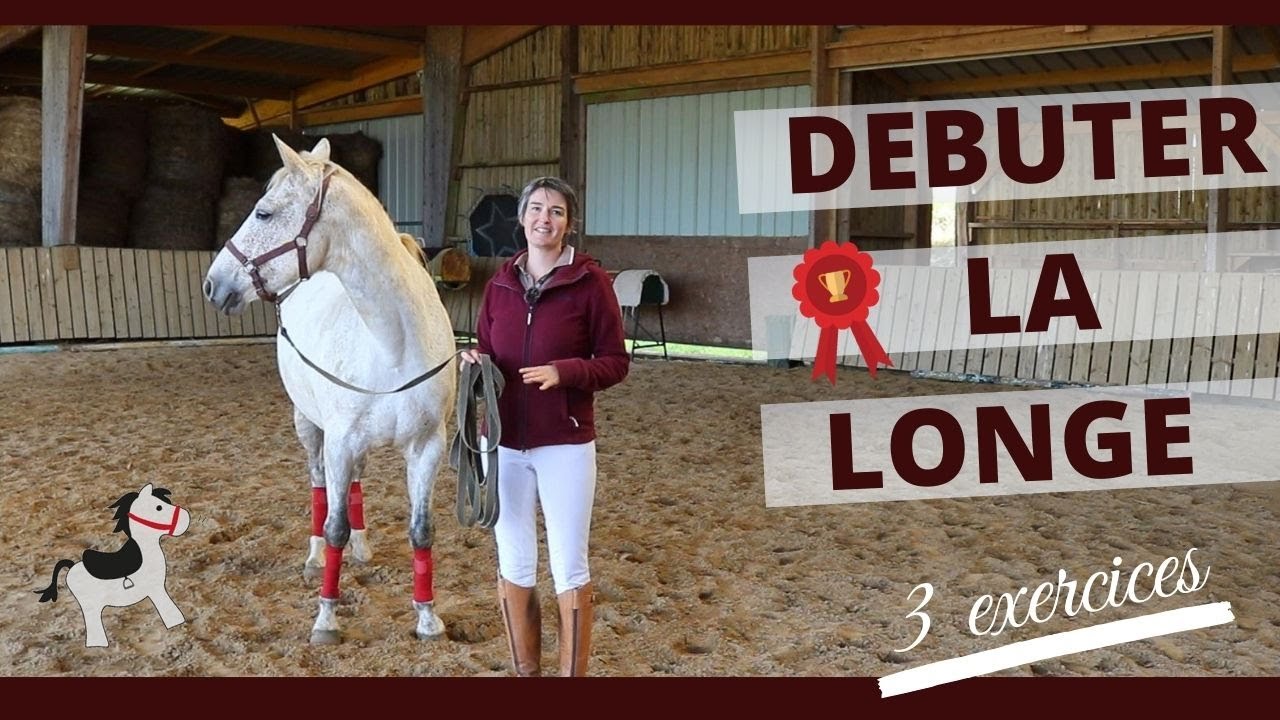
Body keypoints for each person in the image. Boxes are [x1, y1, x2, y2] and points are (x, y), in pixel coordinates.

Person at [461, 176, 629, 677]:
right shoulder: (499, 285)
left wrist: (566, 373)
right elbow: (487, 345)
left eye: (556, 211)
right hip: (505, 444)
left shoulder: (591, 284)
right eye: (536, 209)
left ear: (568, 224)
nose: (544, 219)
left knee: (568, 565)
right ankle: (525, 674)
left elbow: (616, 362)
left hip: (566, 443)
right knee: (514, 562)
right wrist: (476, 360)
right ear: (522, 218)